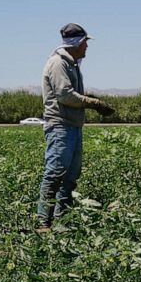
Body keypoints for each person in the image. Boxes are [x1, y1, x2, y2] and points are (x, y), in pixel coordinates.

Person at [36, 23, 115, 230]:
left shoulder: (72, 64)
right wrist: (93, 103)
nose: (87, 47)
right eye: (85, 43)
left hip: (72, 126)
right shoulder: (58, 63)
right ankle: (43, 222)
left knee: (70, 176)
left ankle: (62, 221)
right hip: (60, 125)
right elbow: (64, 95)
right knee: (55, 173)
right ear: (77, 43)